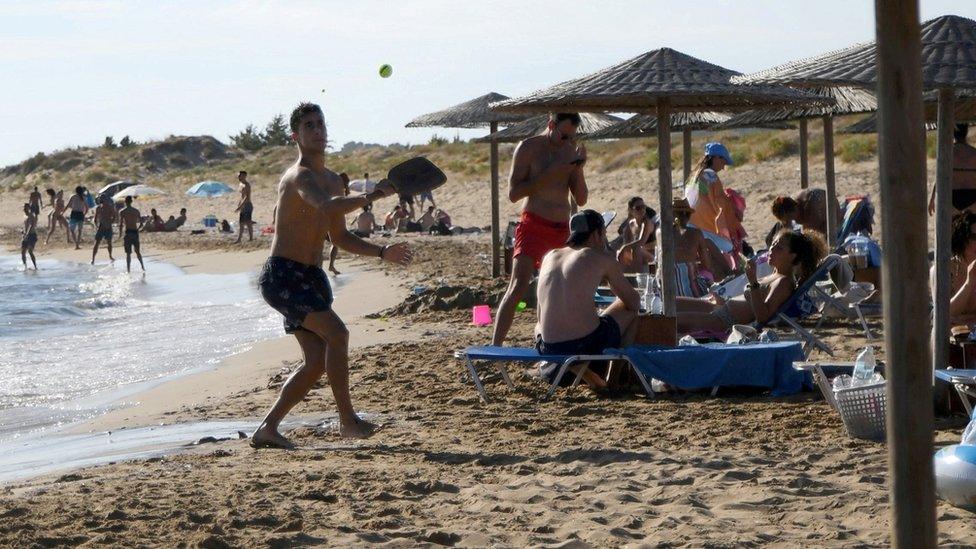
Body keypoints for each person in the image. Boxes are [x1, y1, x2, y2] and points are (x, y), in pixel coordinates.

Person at [252, 102, 411, 449]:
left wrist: (382, 253)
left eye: (321, 123)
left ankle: (267, 428)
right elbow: (325, 206)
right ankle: (348, 422)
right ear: (296, 135)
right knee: (338, 335)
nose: (318, 130)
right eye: (309, 125)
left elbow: (338, 237)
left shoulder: (330, 179)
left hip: (310, 278)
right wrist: (372, 196)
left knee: (315, 362)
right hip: (283, 277)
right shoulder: (299, 177)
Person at [493, 112, 588, 346]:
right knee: (518, 285)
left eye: (571, 137)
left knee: (556, 291)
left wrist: (578, 169)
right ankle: (494, 346)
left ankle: (548, 344)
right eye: (564, 135)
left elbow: (582, 199)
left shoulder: (569, 151)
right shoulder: (528, 148)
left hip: (561, 228)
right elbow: (513, 194)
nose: (567, 141)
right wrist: (551, 174)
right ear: (550, 125)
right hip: (533, 223)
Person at [535, 210, 639, 391]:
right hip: (584, 344)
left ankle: (579, 369)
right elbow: (633, 302)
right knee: (630, 311)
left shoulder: (549, 256)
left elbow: (539, 313)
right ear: (596, 234)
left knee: (539, 324)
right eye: (604, 234)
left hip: (548, 347)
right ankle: (613, 376)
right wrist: (611, 276)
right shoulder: (600, 258)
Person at [676, 230, 827, 333]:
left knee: (671, 321)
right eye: (772, 245)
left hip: (723, 321)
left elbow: (763, 317)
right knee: (672, 303)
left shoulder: (783, 282)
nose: (771, 250)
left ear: (793, 256)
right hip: (721, 308)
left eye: (779, 248)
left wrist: (753, 281)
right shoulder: (774, 275)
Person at [684, 142, 745, 260]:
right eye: (723, 161)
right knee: (729, 249)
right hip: (703, 226)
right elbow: (720, 202)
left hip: (690, 223)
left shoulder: (695, 175)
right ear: (716, 157)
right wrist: (735, 211)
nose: (723, 167)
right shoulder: (710, 175)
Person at [666, 198, 713, 297]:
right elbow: (707, 265)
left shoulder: (660, 233)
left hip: (667, 291)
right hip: (691, 292)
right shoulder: (696, 234)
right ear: (687, 215)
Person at [937, 212, 976, 326]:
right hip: (947, 341)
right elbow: (942, 315)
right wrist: (969, 282)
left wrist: (962, 320)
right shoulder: (943, 270)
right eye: (975, 237)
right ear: (961, 238)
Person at [929, 123, 976, 215]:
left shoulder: (947, 153)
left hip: (952, 196)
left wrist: (932, 198)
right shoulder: (974, 153)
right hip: (973, 195)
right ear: (966, 132)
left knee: (952, 227)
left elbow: (940, 176)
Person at [764, 189, 837, 247]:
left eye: (789, 219)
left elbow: (818, 241)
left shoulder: (810, 210)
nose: (793, 221)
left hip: (835, 224)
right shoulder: (795, 203)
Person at [615, 196, 656, 273]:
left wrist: (624, 247)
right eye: (638, 208)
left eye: (644, 207)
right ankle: (624, 278)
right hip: (640, 254)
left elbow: (641, 242)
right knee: (618, 252)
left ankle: (639, 279)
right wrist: (623, 249)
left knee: (636, 249)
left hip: (652, 255)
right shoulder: (631, 224)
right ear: (630, 210)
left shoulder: (647, 223)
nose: (642, 210)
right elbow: (627, 241)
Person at [326, 173, 351, 276]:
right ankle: (330, 265)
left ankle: (329, 265)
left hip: (328, 217)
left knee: (334, 243)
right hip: (332, 218)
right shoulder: (338, 189)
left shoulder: (332, 187)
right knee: (335, 242)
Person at [117, 195, 146, 272]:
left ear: (125, 202)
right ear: (131, 201)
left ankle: (128, 270)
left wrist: (120, 234)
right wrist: (138, 230)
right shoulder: (136, 211)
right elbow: (141, 224)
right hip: (135, 232)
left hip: (128, 232)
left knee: (128, 253)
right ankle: (142, 267)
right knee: (138, 252)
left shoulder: (122, 211)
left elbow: (120, 224)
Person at [91, 195, 117, 264]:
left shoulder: (110, 207)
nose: (104, 200)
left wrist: (110, 222)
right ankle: (93, 259)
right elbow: (95, 219)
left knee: (109, 243)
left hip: (108, 227)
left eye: (105, 199)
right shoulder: (98, 208)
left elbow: (114, 216)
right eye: (103, 199)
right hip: (101, 227)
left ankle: (110, 256)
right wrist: (96, 225)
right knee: (96, 243)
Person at [234, 170, 254, 243]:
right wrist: (239, 204)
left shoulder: (247, 185)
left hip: (247, 205)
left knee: (248, 222)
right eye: (238, 175)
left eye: (240, 175)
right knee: (241, 223)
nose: (239, 177)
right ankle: (239, 239)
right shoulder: (240, 184)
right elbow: (241, 196)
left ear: (244, 176)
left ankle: (251, 238)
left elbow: (246, 197)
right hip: (242, 205)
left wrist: (240, 206)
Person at [21, 203, 38, 270]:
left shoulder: (31, 215)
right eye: (24, 208)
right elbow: (24, 225)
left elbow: (31, 225)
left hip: (32, 235)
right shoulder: (24, 216)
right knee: (22, 252)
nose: (24, 209)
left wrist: (27, 233)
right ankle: (25, 267)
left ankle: (35, 266)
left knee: (30, 251)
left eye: (26, 208)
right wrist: (22, 231)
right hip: (25, 236)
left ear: (28, 208)